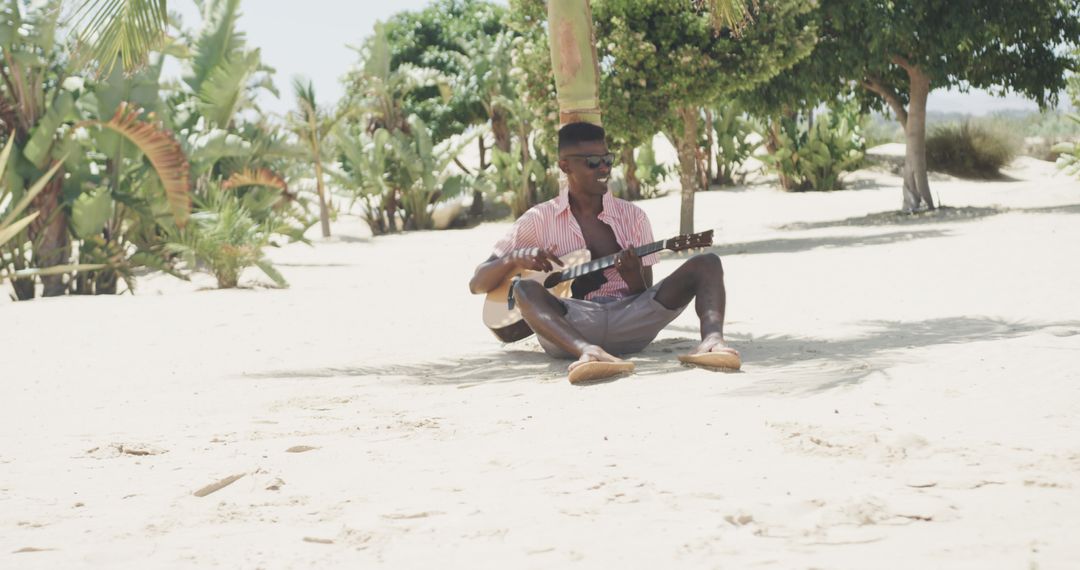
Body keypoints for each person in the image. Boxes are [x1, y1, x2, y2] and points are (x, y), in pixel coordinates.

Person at [469, 122, 740, 383]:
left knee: (708, 263)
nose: (604, 169)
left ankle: (712, 342)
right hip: (570, 326)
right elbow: (477, 283)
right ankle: (588, 352)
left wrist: (633, 276)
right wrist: (514, 258)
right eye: (592, 162)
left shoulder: (633, 217)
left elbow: (642, 295)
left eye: (607, 160)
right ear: (565, 166)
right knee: (524, 290)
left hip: (631, 320)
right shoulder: (538, 219)